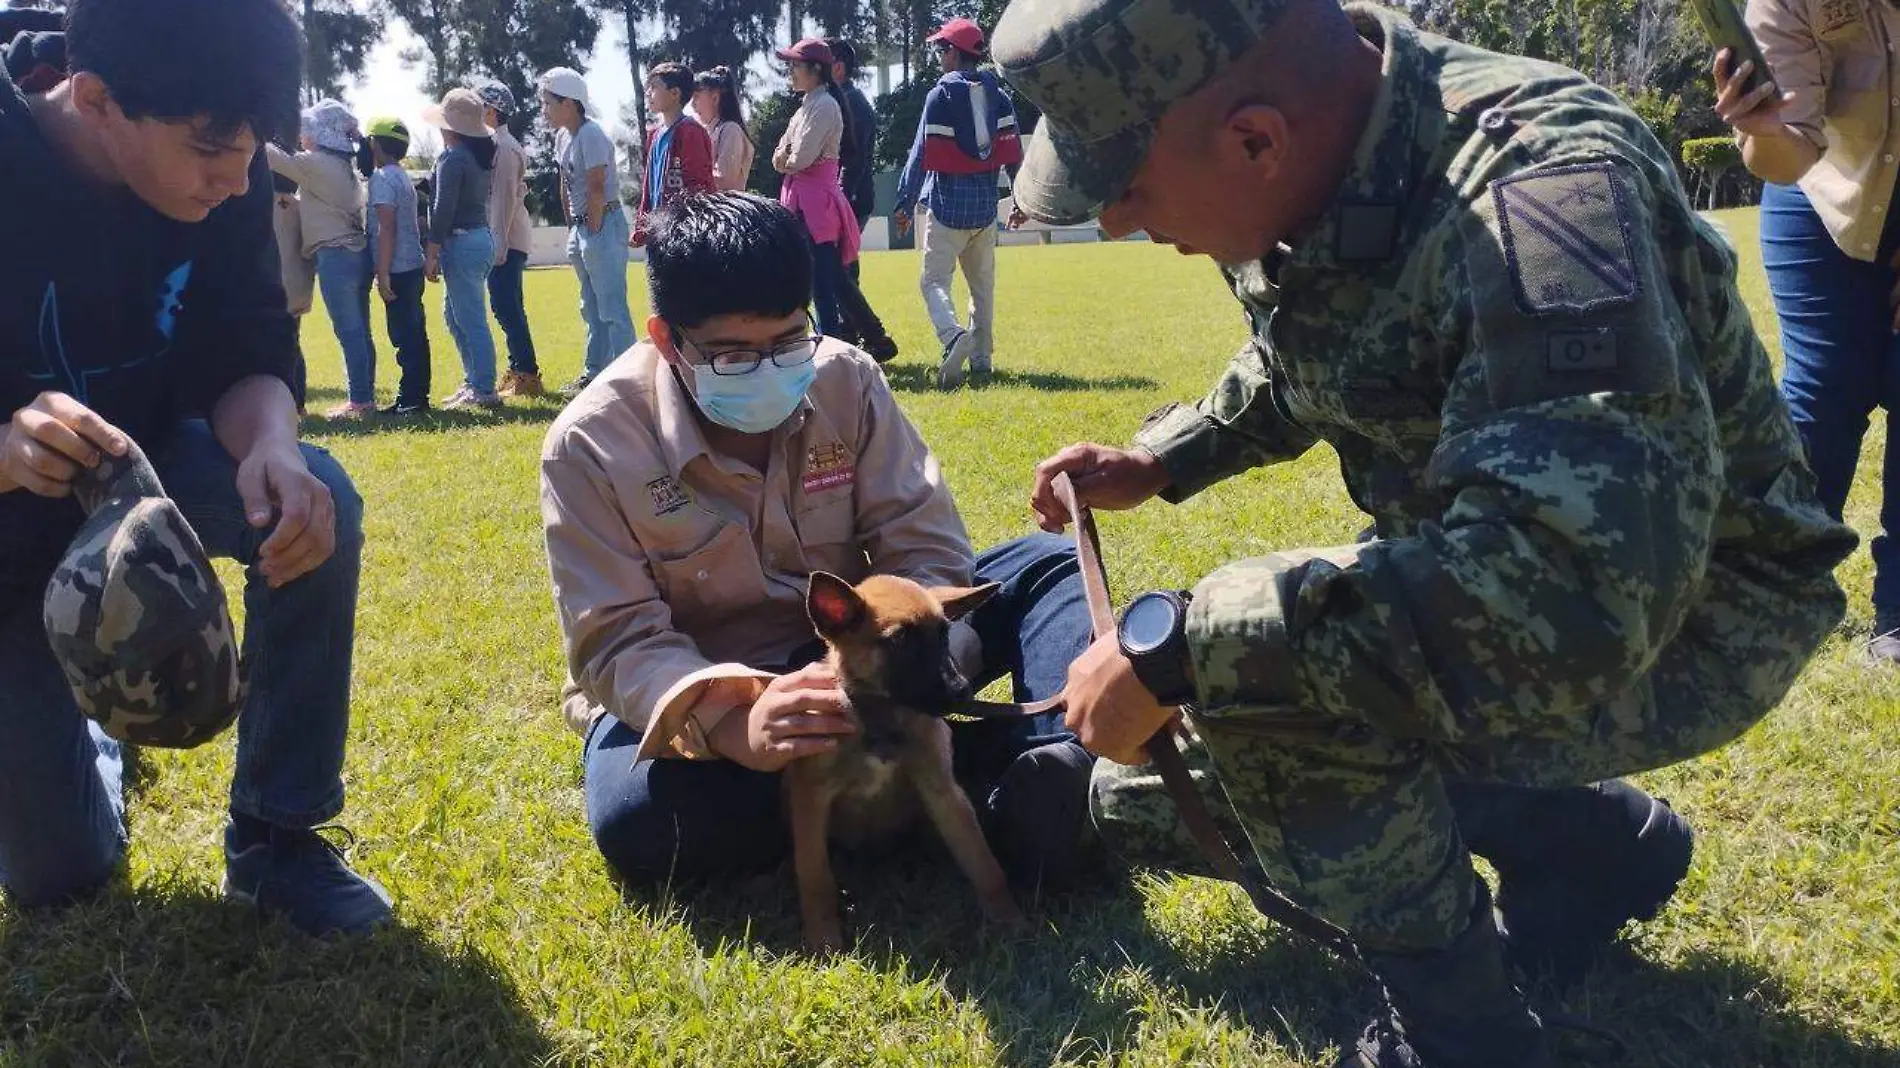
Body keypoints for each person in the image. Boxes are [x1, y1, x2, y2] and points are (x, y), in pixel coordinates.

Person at [993, 0, 1858, 1063]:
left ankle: (1464, 1035)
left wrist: (1181, 647)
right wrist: (1169, 457)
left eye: (1122, 186)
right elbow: (1322, 345)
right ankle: (1589, 846)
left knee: (1264, 674)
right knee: (1223, 717)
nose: (1116, 222)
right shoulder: (1330, 144)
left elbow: (1570, 593)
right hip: (1529, 579)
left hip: (1694, 613)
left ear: (1254, 138)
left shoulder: (1543, 197)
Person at [539, 192, 1095, 896]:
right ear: (665, 337)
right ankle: (955, 785)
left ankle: (1048, 766)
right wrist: (738, 723)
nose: (770, 368)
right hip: (719, 686)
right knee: (641, 822)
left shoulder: (846, 377)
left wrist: (908, 678)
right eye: (735, 354)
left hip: (868, 649)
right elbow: (615, 641)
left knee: (1044, 567)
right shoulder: (592, 443)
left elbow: (923, 544)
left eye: (788, 339)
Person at [0, 0, 392, 935]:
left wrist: (271, 444)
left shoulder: (230, 170)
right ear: (94, 99)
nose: (236, 178)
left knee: (313, 501)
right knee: (65, 880)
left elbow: (244, 343)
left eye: (253, 148)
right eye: (212, 151)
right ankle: (94, 735)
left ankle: (277, 837)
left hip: (142, 471)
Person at [1715, 5, 1900, 662]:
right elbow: (1786, 155)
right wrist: (1763, 127)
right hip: (1821, 189)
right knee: (1824, 391)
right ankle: (1770, 594)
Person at [892, 18, 1023, 390]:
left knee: (933, 281)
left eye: (940, 50)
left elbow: (921, 155)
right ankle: (982, 361)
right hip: (984, 212)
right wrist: (1019, 198)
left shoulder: (940, 97)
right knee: (982, 289)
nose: (938, 57)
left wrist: (904, 201)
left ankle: (952, 335)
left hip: (947, 209)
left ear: (953, 53)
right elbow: (1014, 154)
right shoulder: (1001, 97)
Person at [772, 37, 899, 363]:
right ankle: (873, 339)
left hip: (818, 206)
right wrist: (788, 157)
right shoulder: (807, 106)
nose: (790, 71)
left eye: (795, 65)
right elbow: (780, 158)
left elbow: (796, 159)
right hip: (803, 202)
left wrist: (788, 157)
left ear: (816, 70)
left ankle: (831, 352)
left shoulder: (825, 106)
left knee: (823, 283)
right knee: (832, 278)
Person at [266, 99, 377, 418]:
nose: (303, 136)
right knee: (360, 331)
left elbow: (273, 157)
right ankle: (364, 395)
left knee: (349, 331)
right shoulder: (342, 167)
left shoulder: (317, 164)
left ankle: (360, 400)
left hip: (336, 255)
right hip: (354, 253)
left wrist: (251, 128)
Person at [538, 66, 635, 398]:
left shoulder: (591, 134)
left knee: (612, 309)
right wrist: (573, 229)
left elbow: (595, 186)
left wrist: (591, 229)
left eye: (549, 102)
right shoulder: (563, 136)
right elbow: (566, 184)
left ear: (569, 103)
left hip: (601, 223)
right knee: (591, 308)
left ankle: (627, 380)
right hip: (583, 227)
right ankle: (595, 373)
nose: (544, 109)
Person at [421, 87, 502, 411]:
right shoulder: (472, 156)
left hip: (462, 241)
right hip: (477, 239)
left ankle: (483, 387)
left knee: (469, 320)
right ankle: (474, 381)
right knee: (456, 317)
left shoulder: (454, 158)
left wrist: (432, 251)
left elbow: (443, 208)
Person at [473, 79, 543, 400]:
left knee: (506, 307)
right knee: (508, 306)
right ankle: (518, 369)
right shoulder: (498, 145)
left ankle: (527, 374)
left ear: (491, 110)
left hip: (507, 240)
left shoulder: (504, 148)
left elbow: (502, 202)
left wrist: (497, 249)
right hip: (506, 238)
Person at [363, 117, 433, 417]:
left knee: (404, 336)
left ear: (375, 144)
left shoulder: (382, 179)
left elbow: (386, 227)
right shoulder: (401, 175)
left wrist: (382, 272)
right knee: (415, 333)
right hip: (411, 264)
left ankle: (412, 398)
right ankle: (414, 395)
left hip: (398, 268)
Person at [630, 62, 714, 247]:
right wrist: (641, 227)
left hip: (684, 234)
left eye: (654, 87)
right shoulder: (654, 135)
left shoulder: (690, 132)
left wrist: (691, 227)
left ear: (675, 93)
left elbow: (698, 187)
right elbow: (648, 186)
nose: (648, 93)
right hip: (658, 232)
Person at [270, 168, 314, 413]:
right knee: (294, 342)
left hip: (274, 285)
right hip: (299, 285)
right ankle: (298, 403)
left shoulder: (262, 206)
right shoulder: (300, 207)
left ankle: (285, 401)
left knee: (277, 345)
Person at [691, 65, 754, 193]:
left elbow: (725, 180)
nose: (692, 104)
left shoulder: (731, 130)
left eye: (697, 96)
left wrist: (689, 175)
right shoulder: (708, 131)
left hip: (726, 209)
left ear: (715, 98)